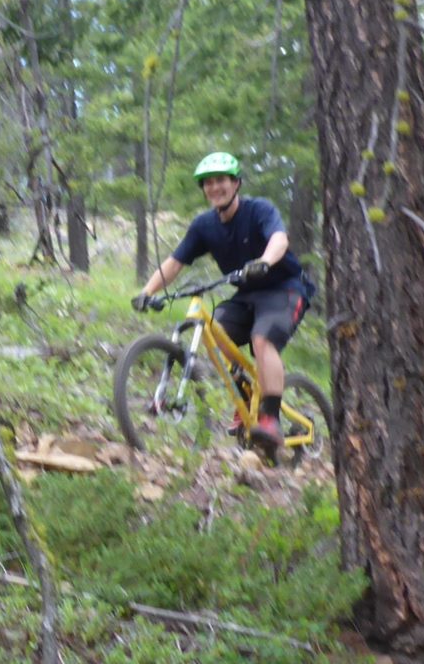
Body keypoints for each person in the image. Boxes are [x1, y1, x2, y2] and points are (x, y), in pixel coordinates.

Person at [132, 151, 312, 458]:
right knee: (214, 331)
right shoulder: (204, 226)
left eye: (221, 181)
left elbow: (279, 240)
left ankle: (270, 418)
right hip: (246, 296)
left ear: (236, 183)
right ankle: (245, 392)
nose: (215, 188)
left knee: (262, 339)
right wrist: (147, 291)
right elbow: (175, 262)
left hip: (284, 290)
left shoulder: (259, 211)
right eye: (208, 183)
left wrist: (265, 262)